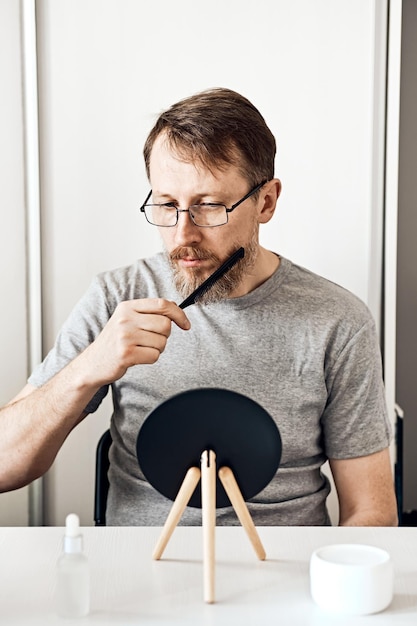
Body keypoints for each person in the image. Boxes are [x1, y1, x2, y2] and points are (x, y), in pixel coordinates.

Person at [0, 88, 397, 527]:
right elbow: (4, 466)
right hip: (141, 572)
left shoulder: (337, 320)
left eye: (208, 206)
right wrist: (89, 367)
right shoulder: (117, 297)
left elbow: (372, 510)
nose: (183, 234)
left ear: (265, 201)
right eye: (167, 205)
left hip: (285, 575)